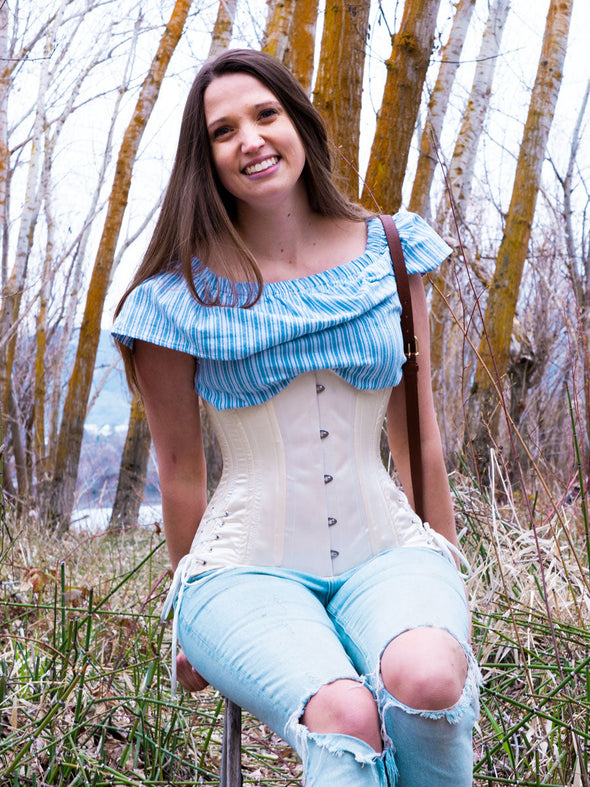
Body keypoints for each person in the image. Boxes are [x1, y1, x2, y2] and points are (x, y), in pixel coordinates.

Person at [112, 48, 480, 787]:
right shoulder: (174, 297)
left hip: (389, 551)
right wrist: (189, 619)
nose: (249, 138)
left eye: (265, 114)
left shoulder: (394, 255)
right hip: (241, 570)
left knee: (429, 677)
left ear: (300, 125)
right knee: (344, 715)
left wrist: (446, 566)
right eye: (222, 130)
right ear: (205, 158)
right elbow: (182, 472)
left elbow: (419, 433)